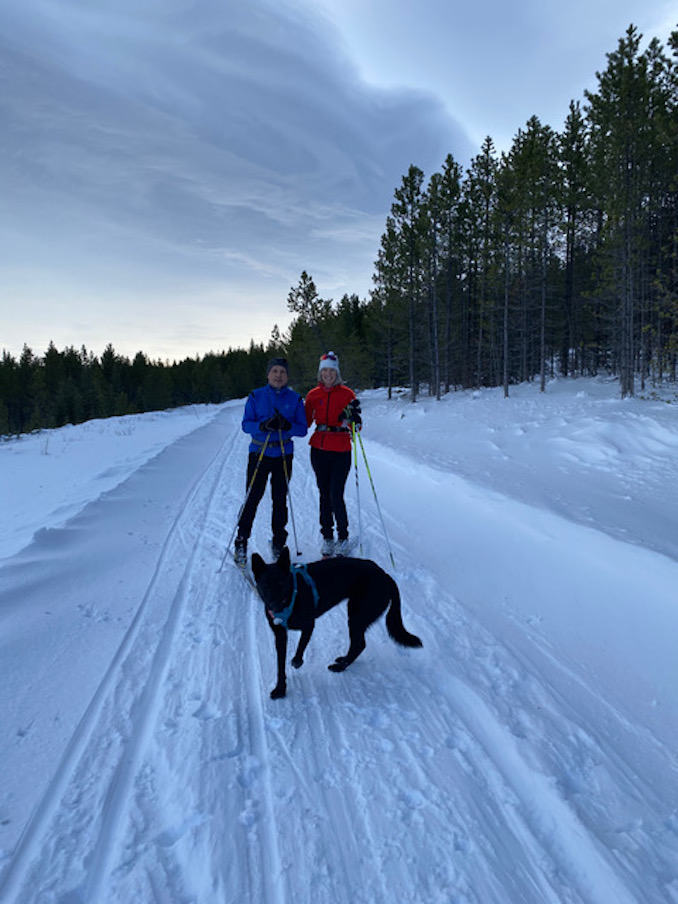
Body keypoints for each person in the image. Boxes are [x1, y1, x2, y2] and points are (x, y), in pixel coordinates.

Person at [235, 358, 307, 564]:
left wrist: (287, 425)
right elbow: (246, 425)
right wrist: (263, 425)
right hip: (259, 452)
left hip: (283, 453)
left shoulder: (294, 399)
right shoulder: (256, 395)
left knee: (279, 499)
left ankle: (278, 542)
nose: (278, 375)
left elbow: (302, 429)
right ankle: (241, 542)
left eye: (282, 372)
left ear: (287, 376)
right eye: (274, 371)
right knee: (252, 497)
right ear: (268, 375)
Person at [304, 351, 362, 557]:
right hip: (319, 449)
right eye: (325, 371)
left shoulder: (347, 393)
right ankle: (327, 538)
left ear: (336, 373)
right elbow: (305, 423)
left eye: (332, 371)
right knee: (324, 494)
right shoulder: (312, 395)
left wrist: (354, 419)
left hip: (341, 449)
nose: (328, 374)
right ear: (321, 373)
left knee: (336, 494)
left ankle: (343, 537)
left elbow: (356, 427)